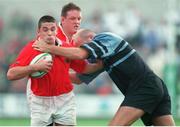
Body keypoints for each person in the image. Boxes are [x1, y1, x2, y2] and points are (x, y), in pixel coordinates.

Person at [33, 29, 175, 126]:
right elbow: (78, 78)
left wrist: (49, 48)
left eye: (76, 43)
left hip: (144, 87)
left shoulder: (107, 38)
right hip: (153, 87)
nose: (73, 45)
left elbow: (79, 54)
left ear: (89, 38)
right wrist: (47, 71)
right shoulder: (104, 58)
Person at [7, 16, 100, 126]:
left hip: (65, 100)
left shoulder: (66, 48)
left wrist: (104, 64)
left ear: (57, 30)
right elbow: (11, 74)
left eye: (52, 29)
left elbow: (85, 68)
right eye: (45, 30)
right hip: (40, 102)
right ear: (39, 32)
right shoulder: (31, 48)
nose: (50, 33)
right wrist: (35, 67)